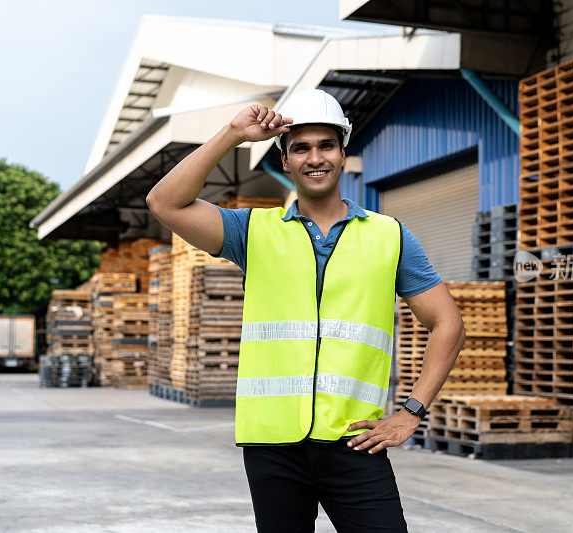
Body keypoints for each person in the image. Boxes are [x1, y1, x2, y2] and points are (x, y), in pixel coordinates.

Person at [146, 89, 466, 532]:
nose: (315, 157)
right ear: (285, 161)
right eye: (300, 147)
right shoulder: (251, 231)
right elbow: (164, 203)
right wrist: (233, 135)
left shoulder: (389, 235)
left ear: (342, 152)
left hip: (355, 441)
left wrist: (411, 412)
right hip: (272, 445)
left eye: (326, 145)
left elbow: (447, 322)